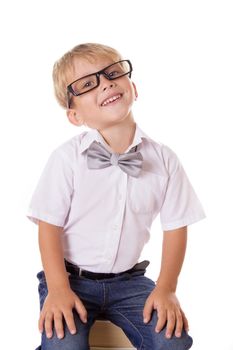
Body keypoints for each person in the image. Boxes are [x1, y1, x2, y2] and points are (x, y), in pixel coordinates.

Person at [27, 43, 205, 350]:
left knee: (172, 341)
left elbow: (176, 226)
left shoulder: (164, 160)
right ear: (74, 115)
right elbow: (48, 226)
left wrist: (166, 289)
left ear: (133, 87)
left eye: (113, 73)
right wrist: (57, 288)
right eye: (86, 84)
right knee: (64, 343)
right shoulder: (67, 159)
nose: (106, 82)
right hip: (71, 279)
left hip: (130, 283)